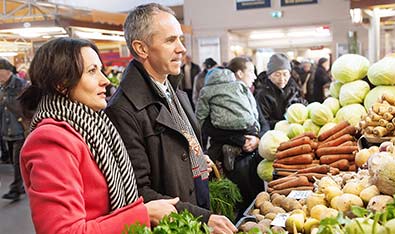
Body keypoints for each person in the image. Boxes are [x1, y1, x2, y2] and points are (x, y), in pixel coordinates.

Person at [19, 38, 179, 234]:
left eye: (101, 70)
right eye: (92, 71)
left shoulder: (95, 126)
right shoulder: (50, 141)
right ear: (62, 84)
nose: (105, 80)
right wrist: (143, 214)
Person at [104, 4, 237, 234]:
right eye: (170, 41)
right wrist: (203, 218)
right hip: (174, 227)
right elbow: (137, 190)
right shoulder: (123, 110)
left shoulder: (171, 90)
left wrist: (194, 158)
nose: (182, 49)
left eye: (181, 40)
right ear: (141, 48)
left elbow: (171, 152)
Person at [202, 57, 269, 221]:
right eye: (251, 72)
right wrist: (239, 140)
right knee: (236, 206)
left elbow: (263, 123)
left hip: (253, 159)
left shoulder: (249, 95)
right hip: (229, 162)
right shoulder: (216, 96)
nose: (254, 76)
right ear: (239, 74)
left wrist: (257, 139)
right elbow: (207, 127)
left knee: (256, 204)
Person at [196, 67, 260, 171]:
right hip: (246, 124)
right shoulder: (240, 85)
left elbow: (200, 115)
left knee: (215, 142)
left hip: (222, 126)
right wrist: (255, 125)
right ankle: (236, 148)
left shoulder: (206, 90)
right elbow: (253, 106)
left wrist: (199, 128)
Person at [255, 53, 307, 129]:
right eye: (277, 75)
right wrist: (287, 123)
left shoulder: (294, 88)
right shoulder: (262, 94)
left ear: (289, 74)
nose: (282, 79)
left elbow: (303, 104)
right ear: (269, 76)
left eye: (285, 74)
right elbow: (263, 122)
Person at [0, 58, 27, 201]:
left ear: (7, 71)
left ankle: (16, 188)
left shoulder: (21, 85)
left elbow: (28, 108)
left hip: (19, 129)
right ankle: (21, 185)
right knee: (13, 160)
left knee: (17, 161)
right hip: (7, 130)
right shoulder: (2, 87)